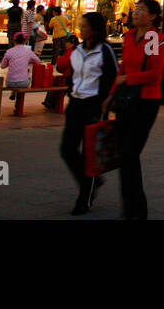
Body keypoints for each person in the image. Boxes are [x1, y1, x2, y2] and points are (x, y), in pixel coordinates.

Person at [108, 0, 164, 219]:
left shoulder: (154, 38)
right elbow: (123, 66)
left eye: (141, 10)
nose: (135, 13)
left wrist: (127, 79)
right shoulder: (129, 37)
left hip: (145, 101)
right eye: (135, 9)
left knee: (130, 153)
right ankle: (130, 206)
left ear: (153, 16)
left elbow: (154, 74)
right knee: (124, 154)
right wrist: (112, 93)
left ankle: (136, 208)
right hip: (126, 100)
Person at [58, 12, 117, 215]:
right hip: (75, 104)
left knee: (89, 154)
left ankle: (85, 197)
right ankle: (92, 182)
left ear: (94, 29)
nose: (81, 29)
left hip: (94, 106)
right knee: (67, 149)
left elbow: (113, 80)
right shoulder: (77, 50)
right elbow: (71, 74)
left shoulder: (105, 51)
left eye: (84, 26)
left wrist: (106, 105)